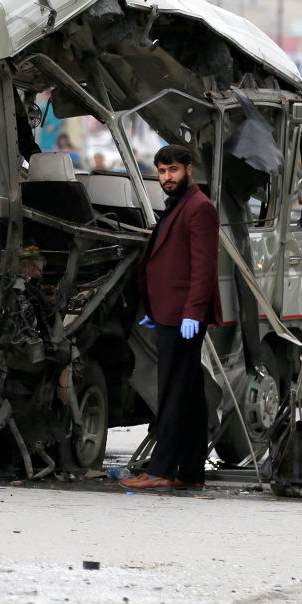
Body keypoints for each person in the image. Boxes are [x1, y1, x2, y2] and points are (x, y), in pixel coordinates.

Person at [120, 144, 221, 490]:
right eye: (162, 171)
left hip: (183, 317)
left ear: (189, 169)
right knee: (189, 395)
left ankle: (161, 470)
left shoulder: (199, 208)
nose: (167, 177)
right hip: (169, 312)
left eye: (173, 170)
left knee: (173, 394)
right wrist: (155, 307)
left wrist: (193, 312)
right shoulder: (178, 204)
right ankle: (190, 472)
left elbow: (204, 267)